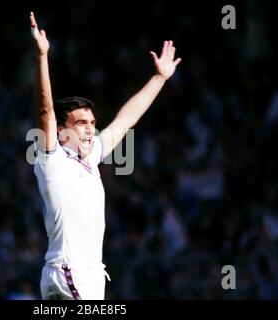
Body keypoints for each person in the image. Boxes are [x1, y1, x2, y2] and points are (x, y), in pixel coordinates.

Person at [29, 11, 181, 300]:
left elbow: (126, 119)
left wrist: (159, 78)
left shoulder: (90, 158)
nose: (90, 130)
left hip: (89, 275)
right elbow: (44, 111)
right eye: (81, 123)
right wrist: (42, 56)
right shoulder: (53, 159)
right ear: (61, 131)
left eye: (92, 124)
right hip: (69, 273)